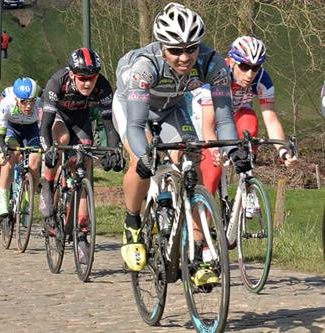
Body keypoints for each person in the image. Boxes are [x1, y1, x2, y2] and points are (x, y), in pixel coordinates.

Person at [112, 3, 246, 279]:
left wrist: (234, 150)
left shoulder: (213, 63)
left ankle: (198, 249)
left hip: (173, 106)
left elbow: (224, 119)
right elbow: (136, 126)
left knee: (191, 159)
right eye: (175, 50)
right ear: (162, 47)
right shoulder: (145, 67)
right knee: (142, 158)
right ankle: (132, 222)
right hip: (134, 108)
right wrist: (147, 155)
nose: (184, 57)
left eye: (191, 49)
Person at [40, 48, 123, 264]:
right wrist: (49, 149)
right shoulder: (57, 82)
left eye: (92, 78)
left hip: (81, 120)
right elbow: (46, 125)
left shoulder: (103, 86)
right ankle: (48, 184)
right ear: (72, 74)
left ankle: (81, 231)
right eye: (82, 78)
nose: (87, 83)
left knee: (85, 158)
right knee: (63, 140)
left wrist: (113, 149)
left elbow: (109, 123)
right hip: (57, 117)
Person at [196, 36, 297, 196]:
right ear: (232, 61)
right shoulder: (217, 74)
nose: (250, 74)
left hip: (232, 117)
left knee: (249, 117)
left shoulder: (263, 80)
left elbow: (271, 121)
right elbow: (207, 125)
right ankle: (203, 217)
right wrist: (216, 152)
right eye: (244, 66)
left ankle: (247, 179)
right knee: (212, 174)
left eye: (255, 67)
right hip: (204, 116)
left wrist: (283, 152)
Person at [0, 78, 43, 217]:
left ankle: (28, 200)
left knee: (35, 161)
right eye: (24, 102)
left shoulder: (40, 105)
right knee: (11, 157)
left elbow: (45, 127)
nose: (28, 106)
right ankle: (3, 200)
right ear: (16, 99)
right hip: (12, 130)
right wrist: (3, 148)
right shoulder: (5, 104)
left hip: (31, 131)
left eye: (32, 101)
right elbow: (0, 134)